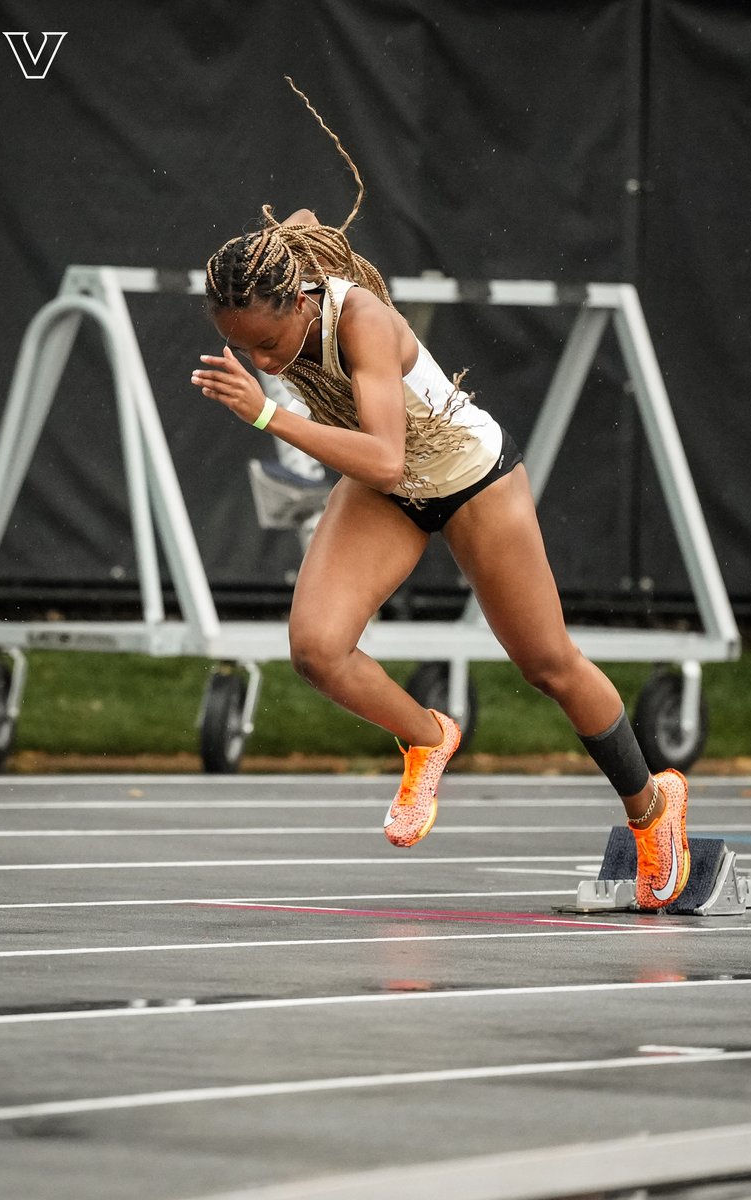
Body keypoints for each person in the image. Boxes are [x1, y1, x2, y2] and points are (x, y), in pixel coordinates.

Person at [190, 79, 690, 908]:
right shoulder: (285, 283)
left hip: (466, 479)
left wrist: (267, 417)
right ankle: (428, 737)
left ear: (300, 305)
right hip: (387, 486)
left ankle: (651, 809)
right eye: (240, 347)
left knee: (547, 665)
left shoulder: (363, 325)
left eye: (268, 343)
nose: (263, 359)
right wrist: (292, 238)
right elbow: (306, 225)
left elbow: (387, 457)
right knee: (316, 650)